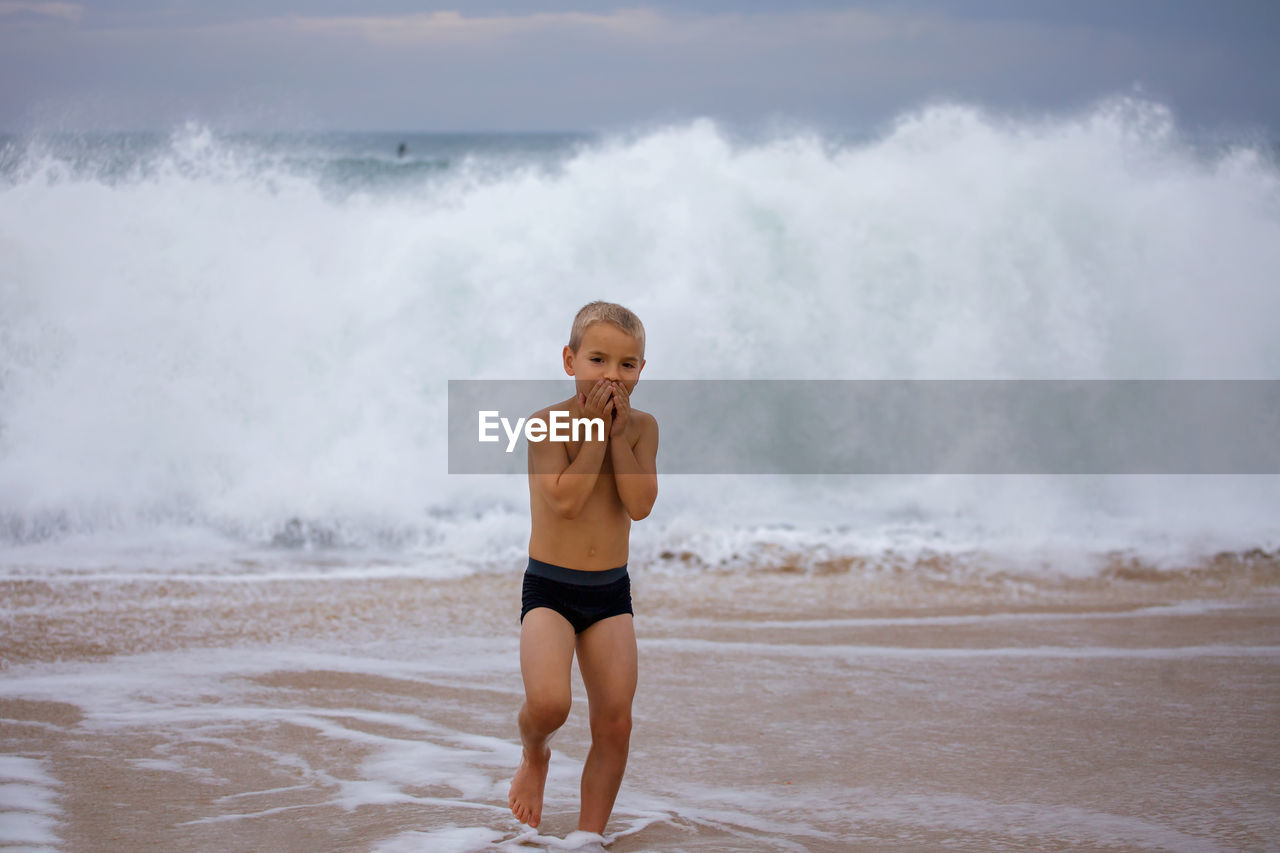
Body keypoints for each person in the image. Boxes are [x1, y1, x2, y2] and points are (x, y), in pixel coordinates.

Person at [508, 301, 659, 836]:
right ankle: (534, 754)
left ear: (641, 369)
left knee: (615, 723)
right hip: (550, 588)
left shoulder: (641, 429)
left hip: (609, 595)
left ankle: (589, 839)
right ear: (570, 361)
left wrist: (616, 435)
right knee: (549, 704)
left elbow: (639, 505)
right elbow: (566, 502)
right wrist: (594, 430)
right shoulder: (547, 425)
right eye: (598, 360)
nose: (611, 376)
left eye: (627, 364)